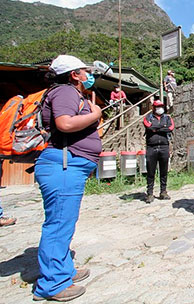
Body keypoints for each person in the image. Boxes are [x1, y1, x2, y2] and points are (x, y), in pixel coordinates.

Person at [33, 55, 102, 301]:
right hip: (64, 165)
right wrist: (95, 113)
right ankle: (52, 284)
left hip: (68, 165)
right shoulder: (65, 91)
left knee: (64, 221)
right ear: (74, 74)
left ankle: (64, 270)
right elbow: (64, 123)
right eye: (85, 71)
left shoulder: (68, 92)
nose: (88, 75)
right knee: (59, 224)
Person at [143, 99, 174, 203]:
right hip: (151, 147)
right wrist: (162, 127)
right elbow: (149, 127)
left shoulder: (168, 118)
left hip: (164, 147)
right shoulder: (148, 117)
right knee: (150, 171)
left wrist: (155, 128)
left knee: (164, 171)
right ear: (153, 107)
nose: (159, 108)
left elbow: (170, 128)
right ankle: (150, 193)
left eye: (161, 106)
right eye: (157, 106)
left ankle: (163, 191)